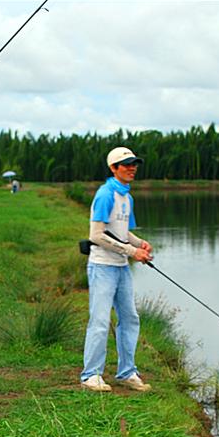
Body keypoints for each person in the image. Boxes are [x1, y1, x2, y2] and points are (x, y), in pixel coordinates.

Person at [80, 147, 154, 393]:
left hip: (121, 268)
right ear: (114, 168)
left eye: (134, 164)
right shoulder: (105, 194)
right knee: (100, 320)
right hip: (102, 267)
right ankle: (91, 375)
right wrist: (134, 252)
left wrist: (139, 243)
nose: (132, 168)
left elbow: (123, 232)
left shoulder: (126, 197)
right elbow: (96, 235)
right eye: (127, 164)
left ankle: (127, 372)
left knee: (130, 318)